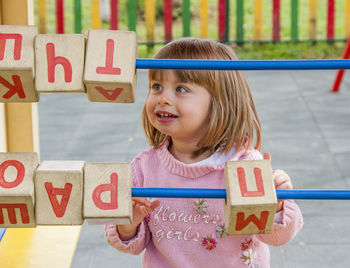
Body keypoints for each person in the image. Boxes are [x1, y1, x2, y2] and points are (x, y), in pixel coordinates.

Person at [105, 38, 303, 268]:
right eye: (156, 86)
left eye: (181, 89)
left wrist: (277, 207)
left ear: (219, 102)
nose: (163, 98)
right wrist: (128, 222)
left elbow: (278, 237)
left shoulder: (244, 165)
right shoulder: (143, 167)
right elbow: (127, 242)